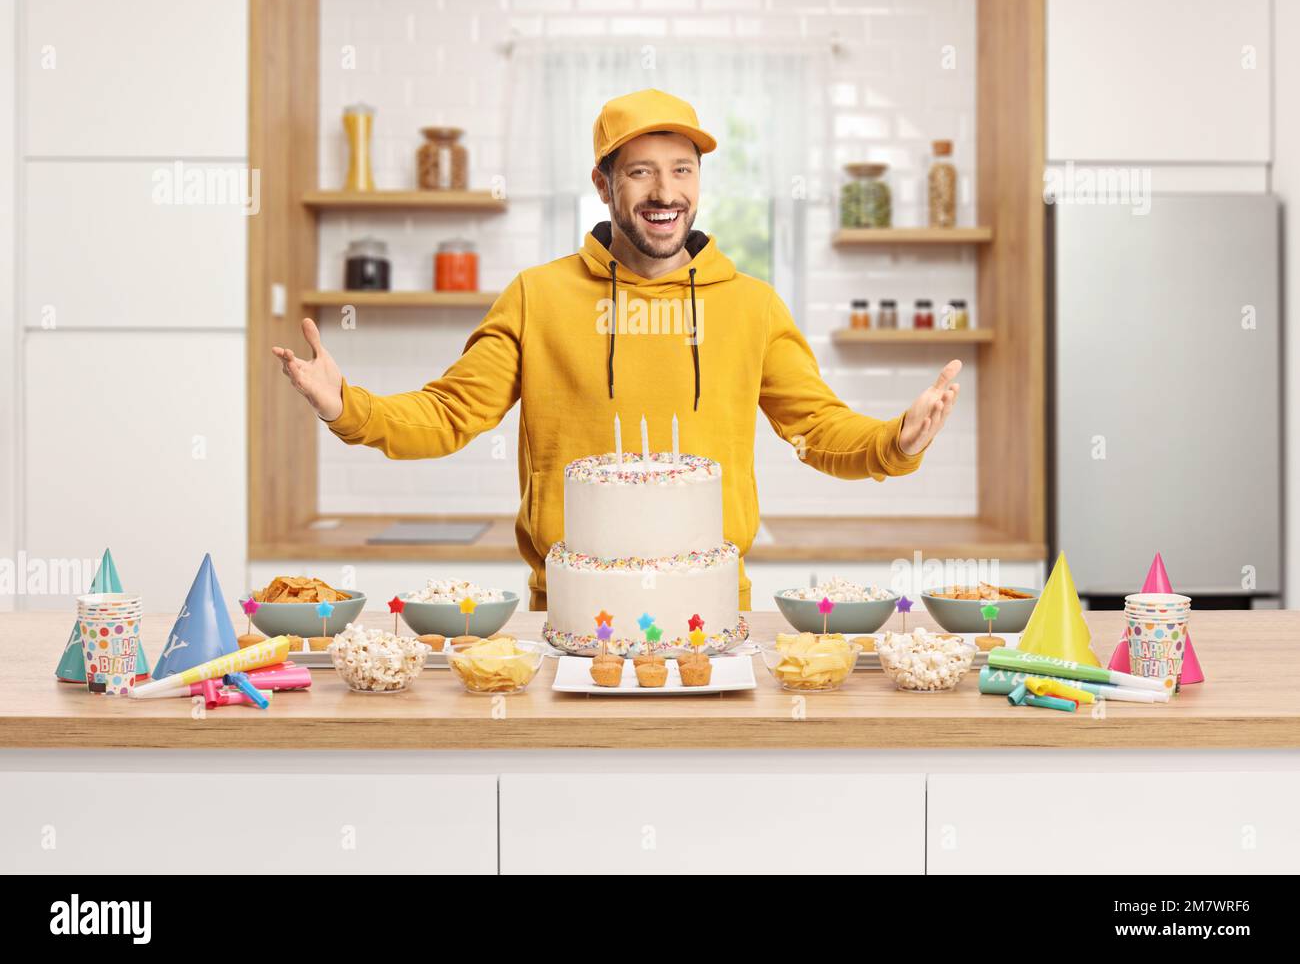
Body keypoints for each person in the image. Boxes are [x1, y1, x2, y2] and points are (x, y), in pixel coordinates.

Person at [273, 88, 961, 611]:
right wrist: (347, 407)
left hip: (713, 608)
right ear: (603, 184)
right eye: (641, 173)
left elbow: (816, 428)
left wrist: (894, 442)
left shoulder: (750, 305)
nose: (666, 193)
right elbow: (451, 413)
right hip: (569, 611)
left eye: (683, 171)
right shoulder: (536, 296)